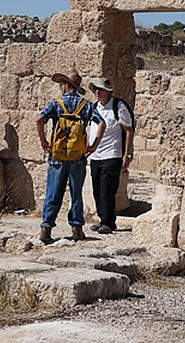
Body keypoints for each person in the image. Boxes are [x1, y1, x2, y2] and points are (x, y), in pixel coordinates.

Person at [36, 70, 105, 244]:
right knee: (76, 194)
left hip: (57, 157)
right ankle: (76, 228)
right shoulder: (86, 105)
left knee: (53, 192)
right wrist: (94, 145)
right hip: (78, 157)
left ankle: (46, 228)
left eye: (62, 84)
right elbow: (101, 123)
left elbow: (39, 119)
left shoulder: (56, 103)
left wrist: (44, 141)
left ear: (66, 85)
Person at [88, 78, 134, 235]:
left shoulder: (118, 106)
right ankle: (103, 220)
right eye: (95, 89)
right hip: (95, 156)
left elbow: (128, 129)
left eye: (100, 89)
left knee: (107, 189)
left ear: (108, 91)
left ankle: (108, 221)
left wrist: (127, 154)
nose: (97, 92)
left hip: (112, 154)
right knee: (97, 189)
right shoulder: (94, 107)